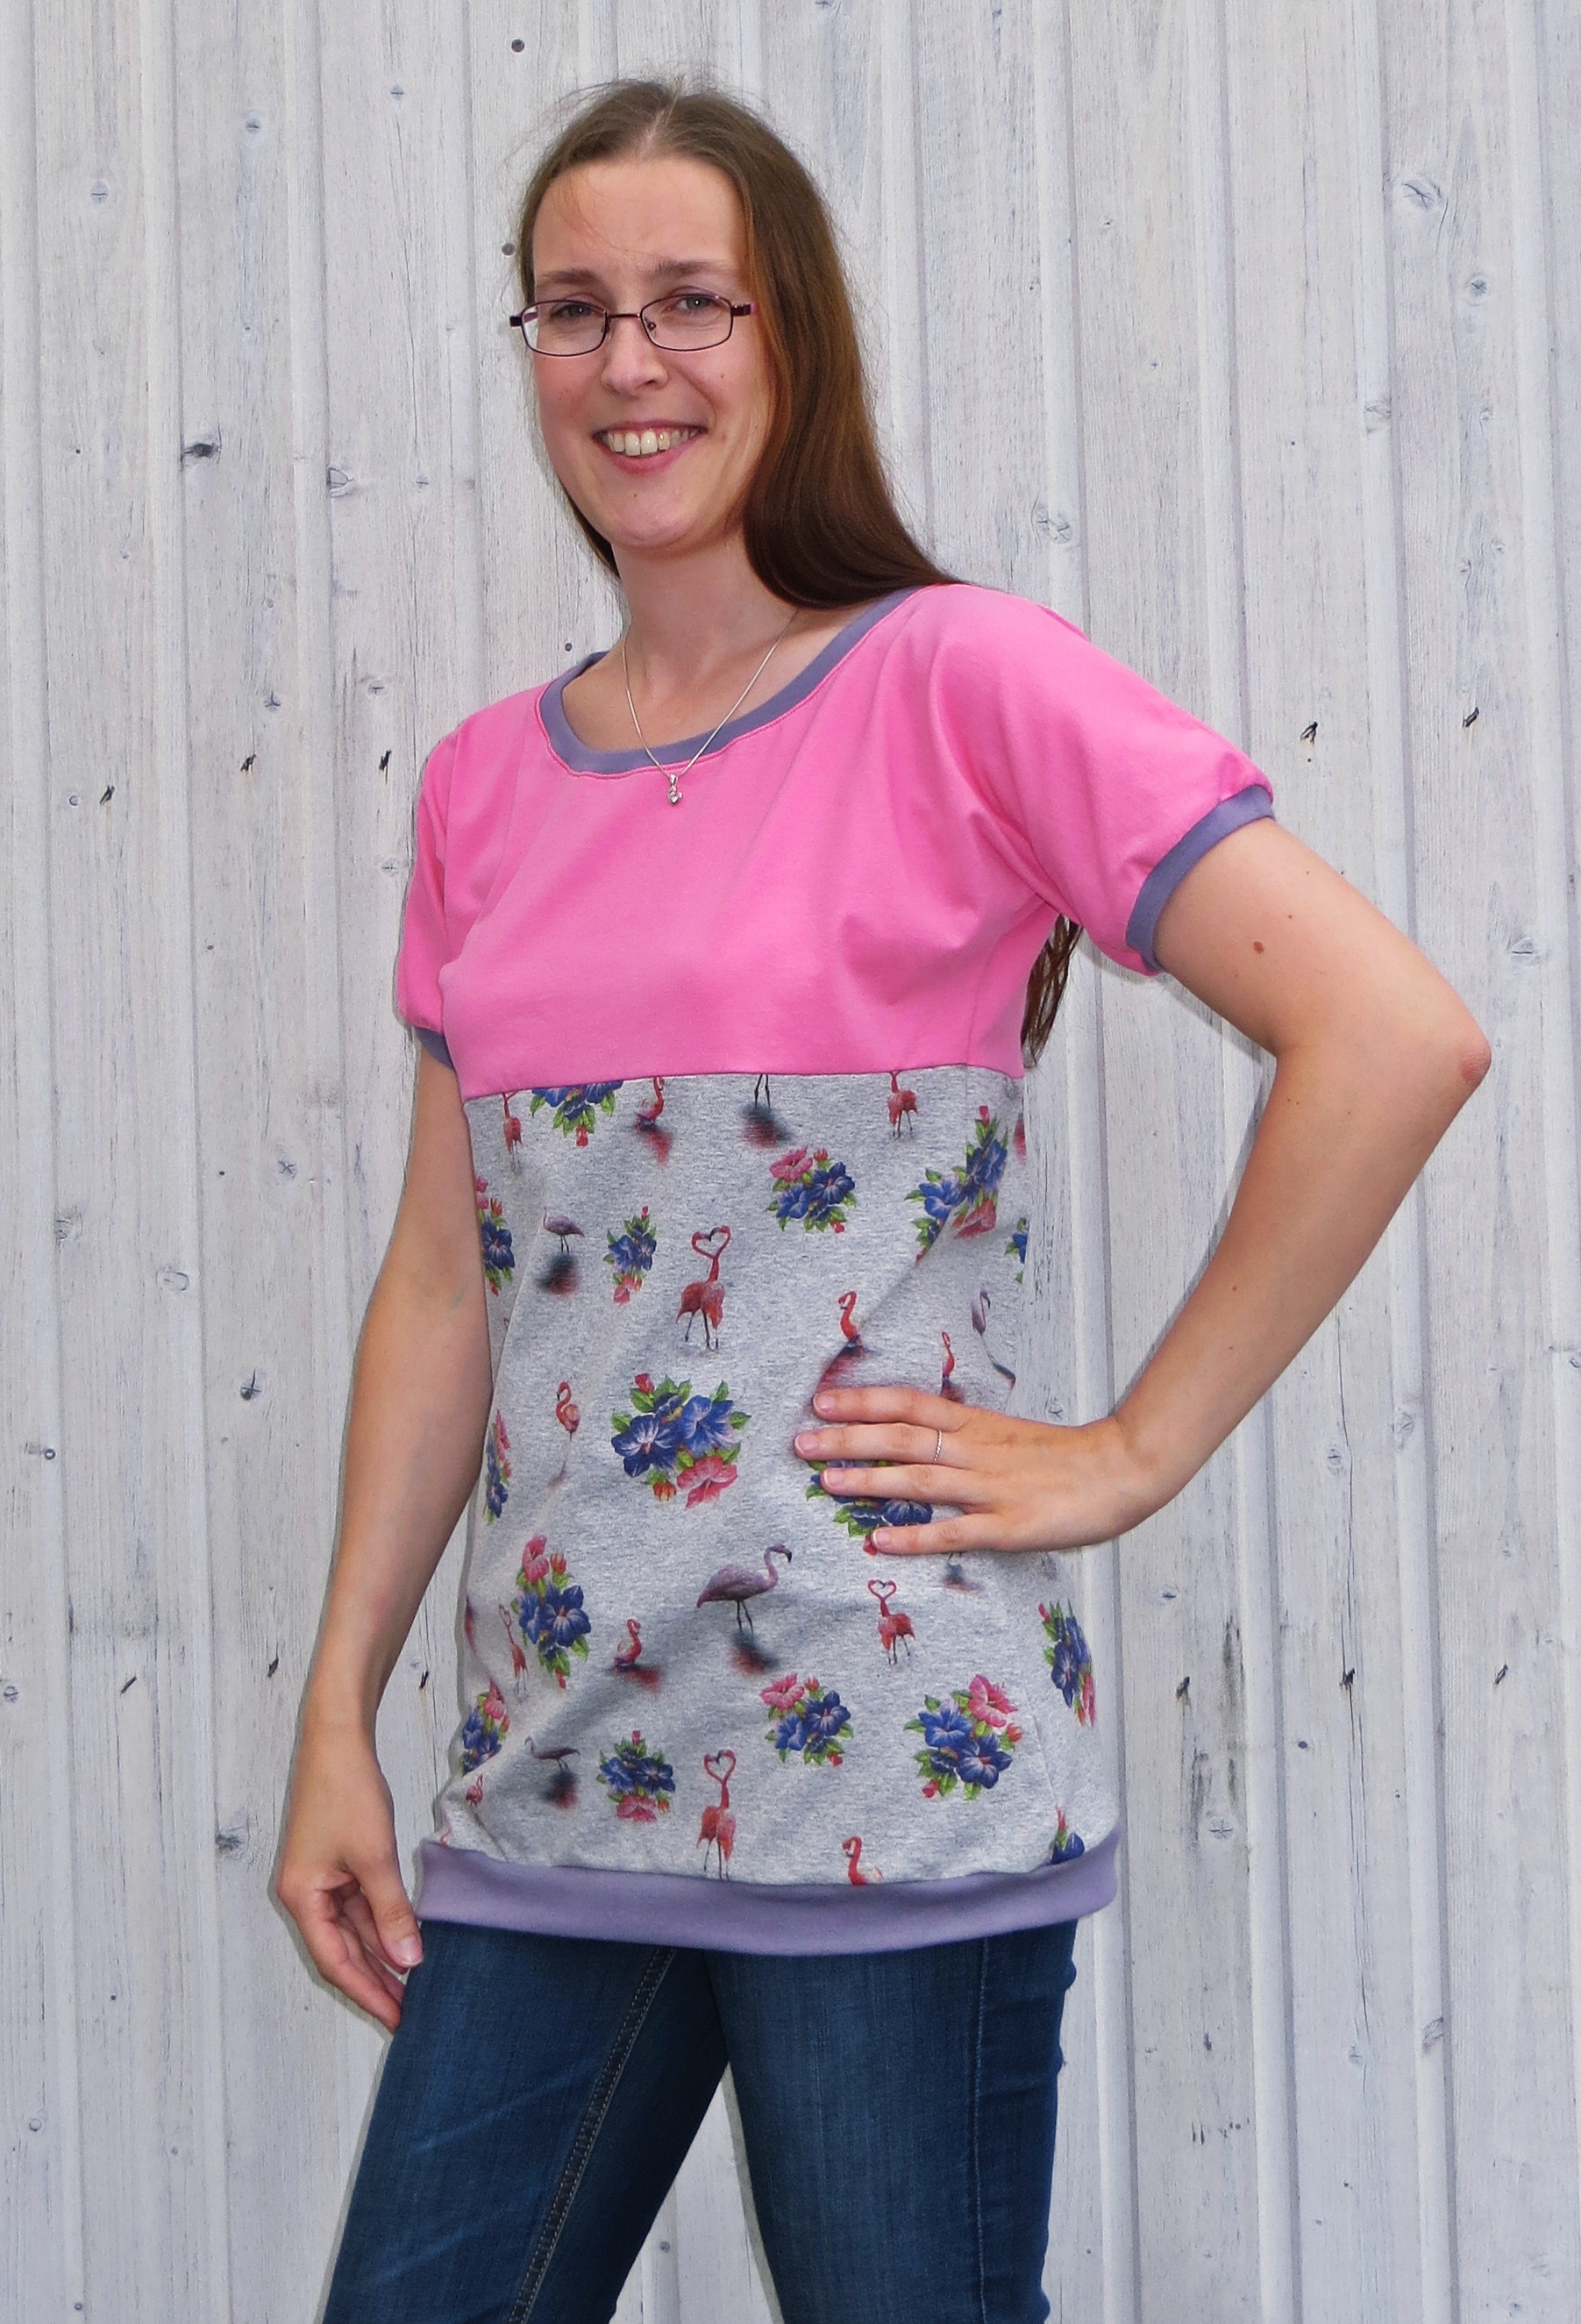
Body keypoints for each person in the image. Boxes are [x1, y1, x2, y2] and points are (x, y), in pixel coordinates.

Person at [276, 75, 1490, 2324]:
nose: (627, 363)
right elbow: (448, 1278)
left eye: (689, 302)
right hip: (554, 1779)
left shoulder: (956, 681)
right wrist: (337, 1704)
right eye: (572, 309)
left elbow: (1390, 1033)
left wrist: (1128, 1449)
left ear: (793, 338)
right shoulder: (478, 789)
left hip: (881, 1775)